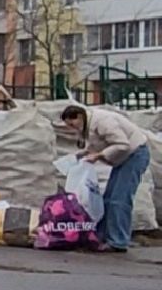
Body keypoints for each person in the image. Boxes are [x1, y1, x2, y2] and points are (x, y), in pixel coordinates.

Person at [61, 104, 151, 252]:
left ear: (79, 116)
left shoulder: (102, 121)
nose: (73, 128)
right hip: (123, 158)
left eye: (72, 123)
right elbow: (98, 143)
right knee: (108, 198)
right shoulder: (88, 126)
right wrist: (83, 154)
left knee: (119, 199)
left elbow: (122, 144)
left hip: (134, 155)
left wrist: (100, 155)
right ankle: (101, 237)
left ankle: (118, 242)